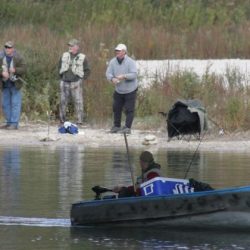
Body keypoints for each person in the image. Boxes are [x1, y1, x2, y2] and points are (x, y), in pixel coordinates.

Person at [106, 43, 138, 134]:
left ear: (124, 52)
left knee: (129, 109)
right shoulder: (112, 62)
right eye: (116, 51)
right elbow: (108, 73)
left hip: (130, 90)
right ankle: (116, 126)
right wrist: (112, 79)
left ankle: (127, 128)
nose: (117, 52)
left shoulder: (130, 62)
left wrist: (124, 76)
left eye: (119, 51)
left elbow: (134, 75)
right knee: (116, 108)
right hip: (119, 90)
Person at [58, 38, 90, 125]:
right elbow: (59, 67)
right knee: (62, 101)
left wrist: (81, 79)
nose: (70, 47)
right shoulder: (64, 55)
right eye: (69, 45)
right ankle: (62, 120)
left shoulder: (83, 57)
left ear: (77, 47)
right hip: (64, 82)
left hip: (76, 83)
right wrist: (61, 78)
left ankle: (79, 121)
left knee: (78, 102)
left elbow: (87, 70)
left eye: (72, 45)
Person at [0, 41, 26, 130]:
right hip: (5, 83)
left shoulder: (19, 57)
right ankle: (9, 122)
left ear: (13, 49)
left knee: (15, 103)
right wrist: (2, 72)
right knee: (5, 104)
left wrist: (15, 70)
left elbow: (24, 69)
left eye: (9, 47)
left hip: (16, 84)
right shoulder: (1, 55)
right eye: (6, 47)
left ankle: (14, 124)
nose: (7, 49)